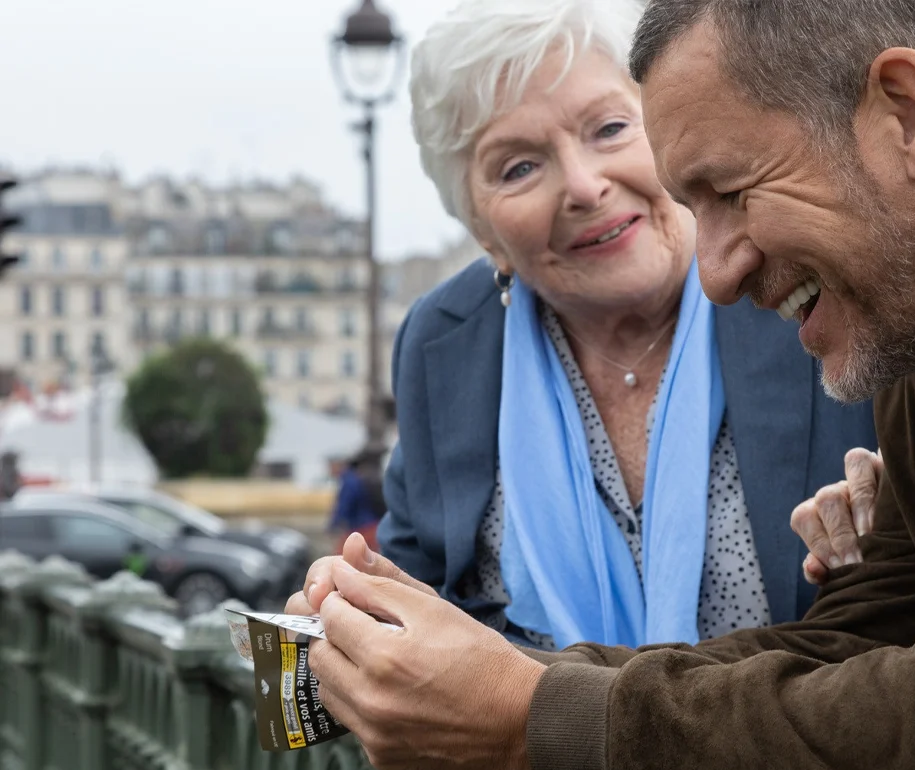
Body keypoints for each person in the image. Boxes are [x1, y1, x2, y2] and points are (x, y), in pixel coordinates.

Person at [289, 0, 915, 770]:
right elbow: (849, 646)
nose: (715, 272)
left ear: (909, 114)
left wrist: (527, 713)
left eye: (729, 192)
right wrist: (466, 679)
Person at [359, 0, 875, 652]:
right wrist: (331, 642)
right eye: (518, 167)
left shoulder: (797, 271)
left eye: (608, 129)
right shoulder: (445, 341)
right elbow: (411, 603)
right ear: (483, 232)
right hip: (526, 757)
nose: (584, 185)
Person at [327, 448, 386, 554]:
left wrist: (333, 524)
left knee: (345, 558)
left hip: (362, 527)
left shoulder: (348, 481)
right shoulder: (355, 477)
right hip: (371, 525)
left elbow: (344, 505)